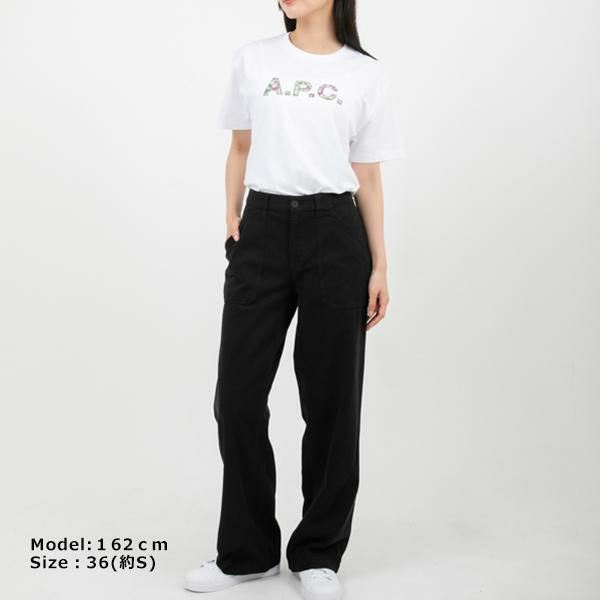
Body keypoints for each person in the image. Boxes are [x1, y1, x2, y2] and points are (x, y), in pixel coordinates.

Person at [184, 1, 405, 598]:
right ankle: (247, 551)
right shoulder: (254, 60)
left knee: (332, 401)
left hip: (335, 233)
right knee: (237, 397)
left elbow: (368, 175)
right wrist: (232, 214)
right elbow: (240, 147)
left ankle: (318, 552)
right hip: (261, 229)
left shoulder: (365, 73)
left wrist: (380, 263)